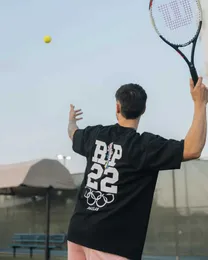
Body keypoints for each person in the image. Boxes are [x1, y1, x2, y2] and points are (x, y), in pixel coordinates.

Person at [67, 77, 208, 260]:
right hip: (113, 244)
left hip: (78, 233)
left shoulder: (94, 135)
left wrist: (71, 120)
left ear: (118, 107)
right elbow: (193, 149)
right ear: (143, 110)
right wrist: (200, 103)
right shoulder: (144, 146)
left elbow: (72, 132)